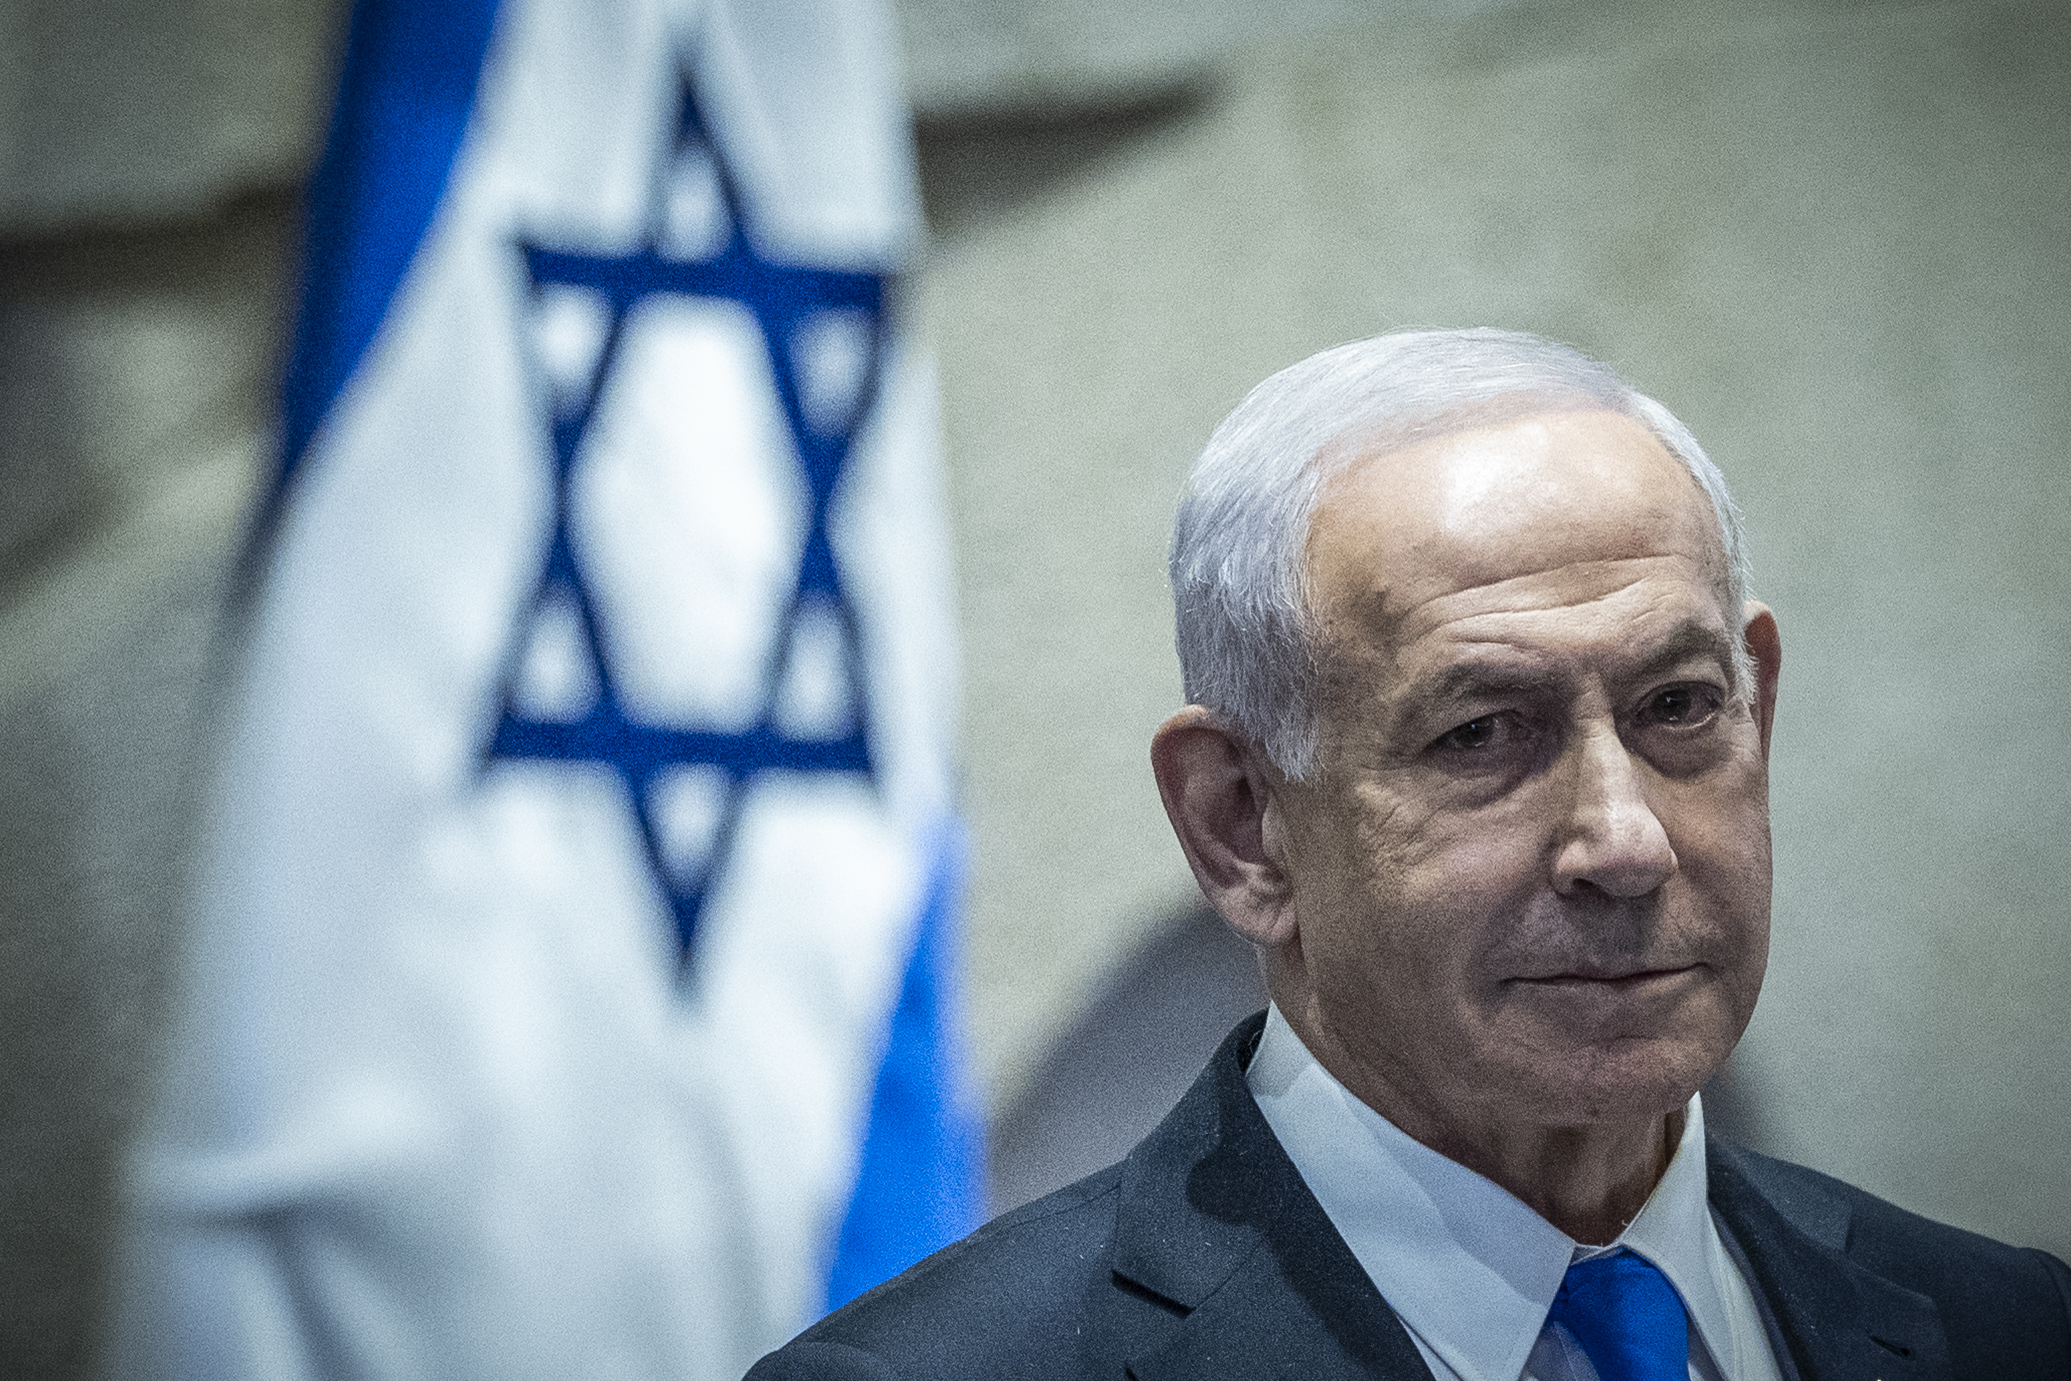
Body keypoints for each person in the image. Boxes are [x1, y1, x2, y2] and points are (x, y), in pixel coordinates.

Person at [749, 329, 2071, 1379]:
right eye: (1483, 731)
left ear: (1759, 707)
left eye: (1678, 706)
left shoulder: (2008, 1327)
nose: (1626, 838)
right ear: (1242, 824)